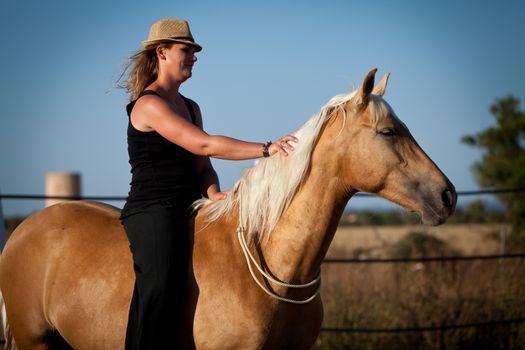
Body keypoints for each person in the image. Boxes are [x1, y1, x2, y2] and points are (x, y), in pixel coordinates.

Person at [119, 18, 298, 349]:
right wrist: (266, 149)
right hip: (155, 209)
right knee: (159, 285)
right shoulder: (149, 105)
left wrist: (213, 191)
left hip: (192, 203)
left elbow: (203, 165)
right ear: (162, 52)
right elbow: (204, 144)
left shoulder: (191, 107)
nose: (194, 57)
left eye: (194, 51)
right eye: (186, 50)